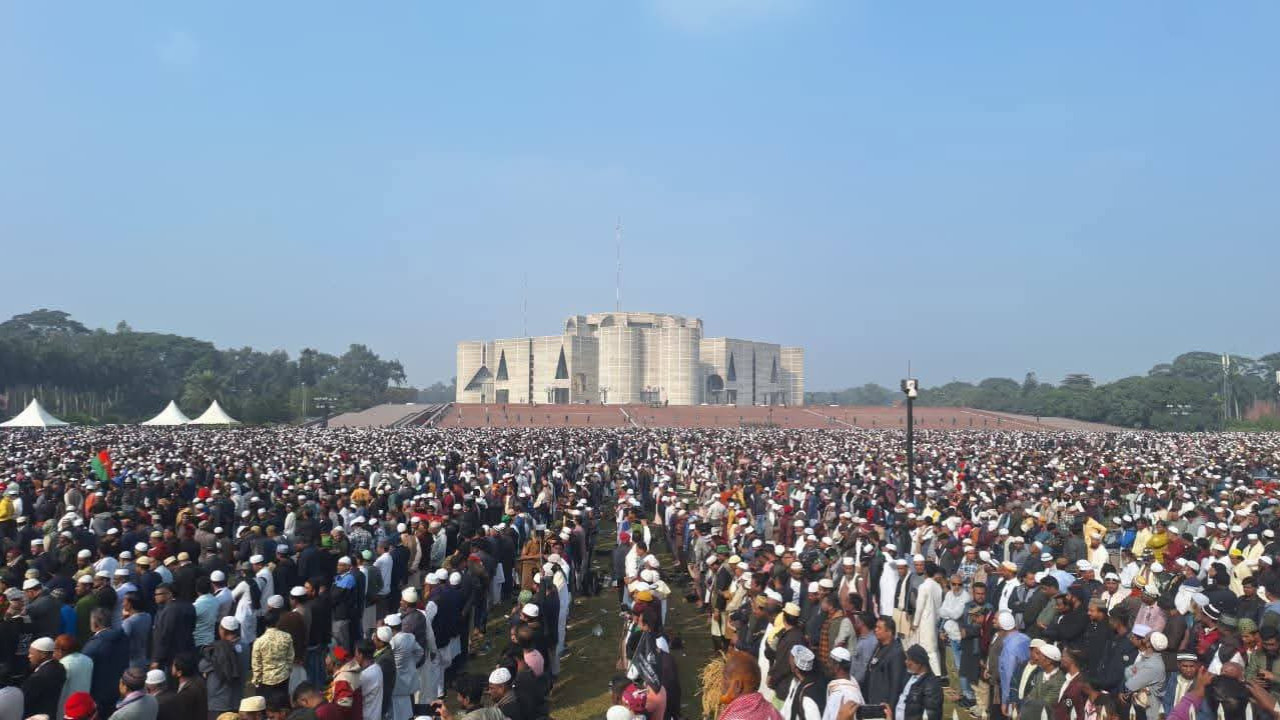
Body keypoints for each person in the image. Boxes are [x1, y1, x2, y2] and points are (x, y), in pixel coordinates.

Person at [85, 607, 130, 715]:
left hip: (97, 693)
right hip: (117, 689)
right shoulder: (123, 637)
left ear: (95, 624)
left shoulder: (94, 645)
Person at [204, 616, 248, 720]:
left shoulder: (218, 649)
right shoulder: (245, 647)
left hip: (218, 702)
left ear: (222, 630)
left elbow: (203, 666)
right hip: (237, 699)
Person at [864, 617, 907, 707]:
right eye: (875, 627)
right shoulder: (878, 647)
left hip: (884, 705)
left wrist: (890, 708)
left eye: (879, 628)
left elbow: (896, 684)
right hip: (872, 701)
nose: (875, 630)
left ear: (889, 632)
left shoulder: (896, 653)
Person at [25, 636, 69, 719]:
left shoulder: (39, 676)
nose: (29, 656)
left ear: (43, 654)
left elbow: (26, 699)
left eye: (32, 653)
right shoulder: (60, 668)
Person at [780, 645, 824, 720]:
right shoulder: (795, 682)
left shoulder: (808, 698)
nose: (789, 663)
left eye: (790, 661)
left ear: (796, 669)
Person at [57, 633, 95, 720]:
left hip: (68, 703)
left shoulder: (64, 663)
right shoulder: (88, 660)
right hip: (84, 700)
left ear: (61, 650)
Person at [823, 647, 865, 720]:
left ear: (837, 666)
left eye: (829, 662)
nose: (827, 665)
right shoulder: (852, 683)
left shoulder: (840, 693)